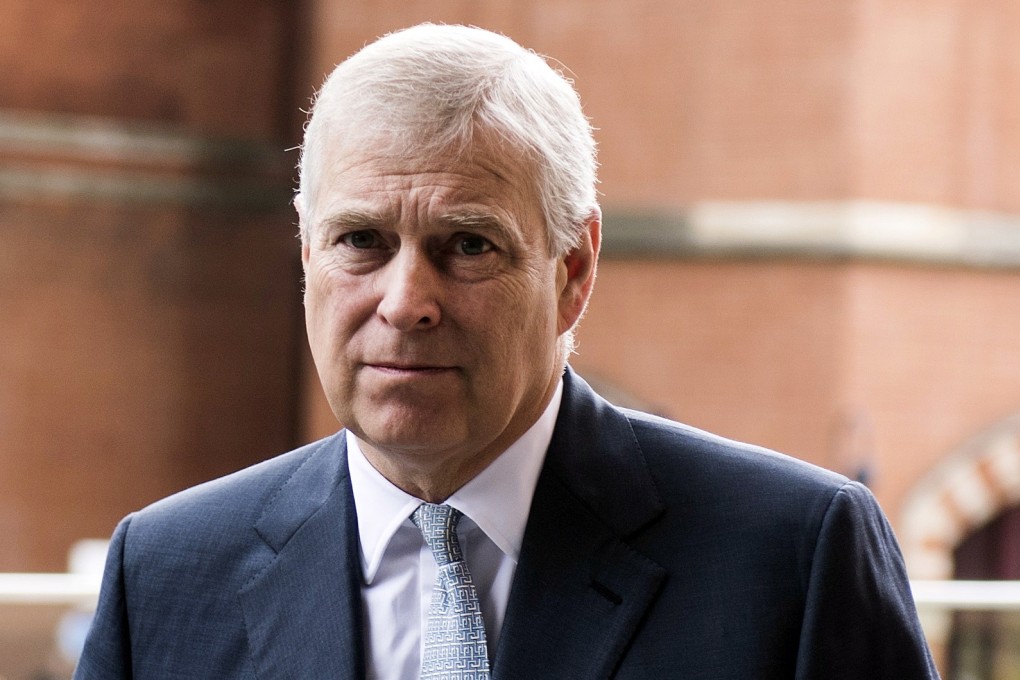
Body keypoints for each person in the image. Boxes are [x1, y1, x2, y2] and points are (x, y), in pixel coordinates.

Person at [74, 23, 939, 680]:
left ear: (574, 270)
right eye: (361, 240)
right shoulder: (166, 575)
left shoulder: (790, 557)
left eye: (468, 245)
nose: (405, 302)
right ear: (306, 254)